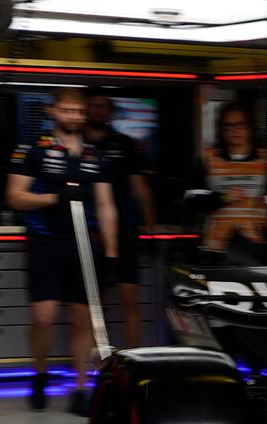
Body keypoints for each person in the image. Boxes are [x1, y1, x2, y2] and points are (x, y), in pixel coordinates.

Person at [7, 88, 120, 412]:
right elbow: (15, 196)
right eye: (67, 110)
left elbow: (105, 205)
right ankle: (39, 374)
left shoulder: (93, 156)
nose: (73, 116)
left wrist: (111, 254)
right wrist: (54, 198)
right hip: (44, 241)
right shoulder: (33, 150)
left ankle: (82, 387)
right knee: (44, 317)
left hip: (84, 244)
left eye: (78, 111)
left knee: (83, 318)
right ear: (53, 111)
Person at [84, 88, 156, 351]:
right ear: (85, 109)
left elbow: (141, 189)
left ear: (110, 111)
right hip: (90, 231)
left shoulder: (125, 144)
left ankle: (133, 361)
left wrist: (151, 227)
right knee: (95, 302)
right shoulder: (74, 143)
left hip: (125, 229)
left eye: (103, 106)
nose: (98, 111)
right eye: (93, 105)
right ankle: (99, 364)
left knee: (130, 299)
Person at [195, 102, 267, 262]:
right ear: (221, 130)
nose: (234, 130)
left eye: (240, 124)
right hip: (215, 250)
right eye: (228, 126)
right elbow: (193, 202)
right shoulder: (208, 159)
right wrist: (223, 198)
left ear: (251, 127)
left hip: (255, 248)